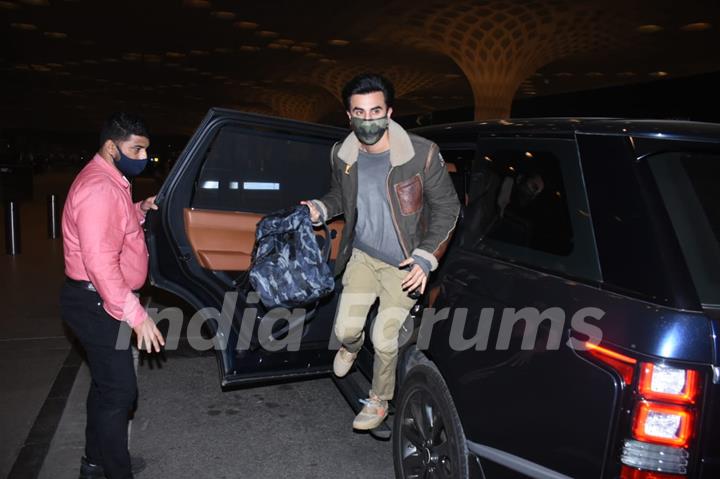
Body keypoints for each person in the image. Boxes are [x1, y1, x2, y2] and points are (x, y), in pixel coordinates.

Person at [302, 74, 460, 430]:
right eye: (360, 112)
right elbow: (340, 197)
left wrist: (425, 256)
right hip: (362, 256)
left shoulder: (421, 153)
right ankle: (350, 348)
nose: (368, 120)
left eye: (376, 111)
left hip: (404, 266)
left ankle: (379, 400)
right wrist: (320, 209)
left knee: (385, 337)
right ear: (349, 115)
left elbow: (448, 208)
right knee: (345, 330)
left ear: (389, 111)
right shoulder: (342, 154)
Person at [60, 112, 165, 479]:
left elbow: (112, 229)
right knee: (120, 393)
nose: (142, 157)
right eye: (135, 149)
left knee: (107, 389)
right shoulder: (99, 189)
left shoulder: (111, 181)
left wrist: (139, 211)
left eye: (145, 151)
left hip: (95, 300)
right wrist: (137, 316)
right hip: (95, 303)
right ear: (110, 146)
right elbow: (101, 263)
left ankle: (94, 462)